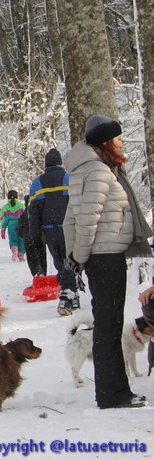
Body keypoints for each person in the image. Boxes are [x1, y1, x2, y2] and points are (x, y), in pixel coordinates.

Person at [64, 115, 153, 409]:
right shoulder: (99, 171)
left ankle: (113, 391)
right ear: (105, 141)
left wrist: (76, 256)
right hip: (105, 256)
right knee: (109, 326)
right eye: (117, 138)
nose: (121, 142)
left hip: (103, 255)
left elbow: (70, 219)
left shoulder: (86, 169)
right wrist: (80, 256)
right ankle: (112, 393)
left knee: (107, 324)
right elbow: (86, 220)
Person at [28, 148, 79, 315]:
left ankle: (71, 293)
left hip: (49, 232)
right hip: (68, 228)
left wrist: (35, 236)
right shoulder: (69, 178)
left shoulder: (37, 183)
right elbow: (78, 203)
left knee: (59, 263)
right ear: (60, 163)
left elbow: (33, 212)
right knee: (70, 261)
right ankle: (68, 294)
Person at [17, 194, 47, 278]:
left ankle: (36, 274)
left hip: (28, 241)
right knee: (42, 258)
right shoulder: (39, 214)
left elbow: (19, 230)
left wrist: (23, 236)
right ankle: (43, 273)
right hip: (40, 239)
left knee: (32, 259)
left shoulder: (23, 216)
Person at [0, 190, 26, 262]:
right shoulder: (21, 206)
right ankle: (21, 255)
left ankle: (14, 250)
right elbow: (26, 216)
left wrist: (3, 228)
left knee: (13, 239)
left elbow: (3, 219)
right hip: (21, 225)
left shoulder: (5, 208)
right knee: (22, 240)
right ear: (17, 197)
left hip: (11, 226)